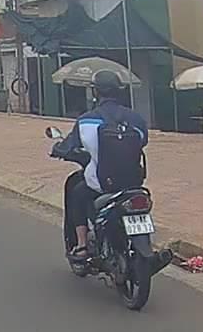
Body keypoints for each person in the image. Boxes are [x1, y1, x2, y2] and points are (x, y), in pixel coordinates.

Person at [54, 70, 149, 259]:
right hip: (133, 182)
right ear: (119, 91)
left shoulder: (86, 121)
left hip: (102, 184)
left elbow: (69, 146)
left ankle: (82, 245)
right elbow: (143, 141)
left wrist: (58, 148)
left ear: (95, 92)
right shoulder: (136, 119)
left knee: (77, 194)